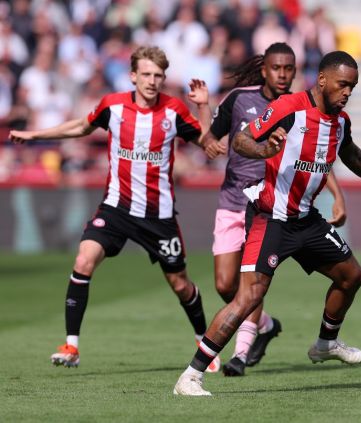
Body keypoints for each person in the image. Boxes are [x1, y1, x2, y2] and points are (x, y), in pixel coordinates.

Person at [173, 50, 361, 396]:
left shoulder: (339, 122)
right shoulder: (290, 107)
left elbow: (350, 152)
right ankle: (190, 376)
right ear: (324, 80)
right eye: (343, 85)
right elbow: (241, 140)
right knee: (248, 296)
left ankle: (325, 344)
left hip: (306, 220)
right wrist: (265, 151)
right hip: (271, 218)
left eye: (353, 88)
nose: (347, 93)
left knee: (352, 276)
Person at [9, 46, 220, 372]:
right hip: (116, 208)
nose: (152, 81)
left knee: (180, 284)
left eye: (158, 76)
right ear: (133, 75)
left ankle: (203, 343)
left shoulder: (174, 111)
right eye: (146, 74)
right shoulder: (113, 106)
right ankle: (71, 346)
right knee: (83, 259)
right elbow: (81, 126)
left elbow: (209, 145)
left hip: (158, 216)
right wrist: (35, 135)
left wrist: (204, 106)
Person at [202, 42, 347, 377]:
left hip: (269, 204)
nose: (283, 74)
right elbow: (211, 140)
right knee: (226, 286)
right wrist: (201, 109)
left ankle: (239, 356)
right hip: (233, 200)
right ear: (264, 69)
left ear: (296, 71)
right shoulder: (239, 99)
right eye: (277, 68)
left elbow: (319, 156)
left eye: (289, 69)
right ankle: (265, 326)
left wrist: (338, 195)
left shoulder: (301, 107)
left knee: (251, 285)